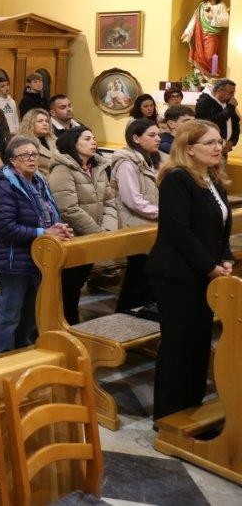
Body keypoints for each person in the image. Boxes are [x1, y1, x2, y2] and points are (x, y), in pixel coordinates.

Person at [147, 120, 233, 420]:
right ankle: (168, 416)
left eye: (219, 141)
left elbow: (220, 227)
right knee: (178, 344)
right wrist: (210, 267)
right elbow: (178, 231)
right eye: (210, 142)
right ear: (189, 148)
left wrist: (225, 257)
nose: (218, 147)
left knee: (198, 341)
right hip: (177, 275)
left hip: (201, 274)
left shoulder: (211, 178)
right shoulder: (177, 179)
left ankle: (191, 410)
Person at [0, 137, 72, 357]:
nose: (31, 159)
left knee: (32, 311)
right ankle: (0, 357)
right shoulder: (3, 185)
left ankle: (22, 352)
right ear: (12, 160)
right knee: (9, 313)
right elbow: (6, 227)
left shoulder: (39, 181)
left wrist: (58, 227)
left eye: (34, 154)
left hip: (39, 256)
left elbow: (49, 212)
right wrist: (44, 233)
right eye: (25, 155)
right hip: (13, 258)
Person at [48, 127, 117, 325]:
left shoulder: (98, 167)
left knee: (78, 284)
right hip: (73, 237)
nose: (93, 142)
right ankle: (64, 326)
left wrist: (108, 230)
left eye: (94, 138)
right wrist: (98, 232)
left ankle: (72, 324)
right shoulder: (62, 169)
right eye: (87, 139)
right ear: (73, 143)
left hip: (93, 238)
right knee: (68, 286)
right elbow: (68, 208)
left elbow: (110, 201)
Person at [110, 119, 166, 315]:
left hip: (150, 223)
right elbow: (132, 199)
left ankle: (143, 311)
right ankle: (126, 313)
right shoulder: (127, 163)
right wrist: (162, 213)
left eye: (158, 134)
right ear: (136, 138)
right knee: (138, 273)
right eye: (152, 135)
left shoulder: (152, 159)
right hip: (135, 223)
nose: (158, 139)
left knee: (148, 273)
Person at [181, 0, 230, 76]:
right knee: (199, 55)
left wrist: (213, 16)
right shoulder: (202, 5)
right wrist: (187, 32)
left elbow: (227, 21)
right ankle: (201, 76)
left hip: (212, 35)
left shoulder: (220, 5)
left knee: (209, 56)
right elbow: (194, 19)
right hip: (200, 33)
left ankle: (212, 75)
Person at [195, 78, 239, 155]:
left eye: (233, 93)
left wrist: (232, 141)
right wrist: (231, 107)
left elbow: (235, 123)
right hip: (209, 148)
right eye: (231, 93)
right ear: (219, 91)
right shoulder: (204, 102)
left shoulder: (227, 101)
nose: (233, 96)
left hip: (225, 148)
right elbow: (213, 122)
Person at [18, 107, 57, 177]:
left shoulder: (55, 140)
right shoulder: (22, 143)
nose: (45, 124)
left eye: (47, 121)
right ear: (30, 124)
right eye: (40, 121)